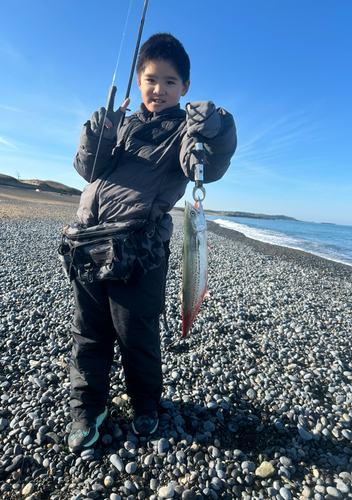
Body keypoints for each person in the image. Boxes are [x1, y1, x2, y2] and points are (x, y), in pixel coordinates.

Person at [66, 32, 237, 453]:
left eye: (169, 81)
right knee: (88, 334)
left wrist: (214, 130)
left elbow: (203, 165)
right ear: (137, 81)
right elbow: (87, 169)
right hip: (88, 241)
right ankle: (87, 410)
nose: (158, 89)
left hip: (138, 251)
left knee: (136, 333)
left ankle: (145, 403)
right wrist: (99, 130)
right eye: (149, 79)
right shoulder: (121, 123)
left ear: (185, 88)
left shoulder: (183, 129)